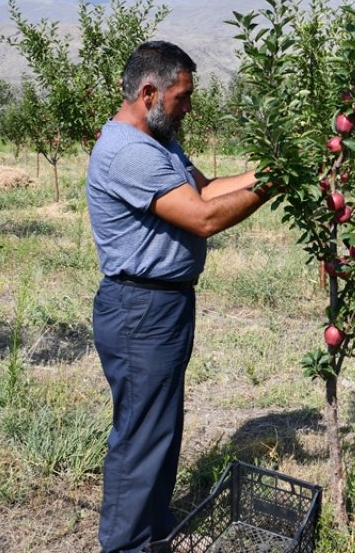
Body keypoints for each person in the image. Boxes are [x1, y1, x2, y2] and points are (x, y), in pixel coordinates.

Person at [86, 40, 273, 553]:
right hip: (139, 309)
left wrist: (276, 166)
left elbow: (206, 190)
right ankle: (127, 545)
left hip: (162, 306)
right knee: (141, 436)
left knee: (160, 429)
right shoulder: (129, 153)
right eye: (182, 97)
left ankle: (153, 532)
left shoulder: (159, 142)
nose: (188, 107)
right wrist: (275, 185)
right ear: (149, 92)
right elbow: (204, 217)